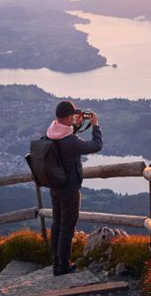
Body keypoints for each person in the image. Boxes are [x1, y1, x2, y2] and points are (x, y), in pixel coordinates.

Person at [45, 100, 102, 276]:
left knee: (57, 224)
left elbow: (66, 139)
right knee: (67, 226)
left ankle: (56, 261)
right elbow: (96, 146)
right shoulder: (70, 141)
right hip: (69, 188)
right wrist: (95, 126)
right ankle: (63, 266)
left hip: (55, 186)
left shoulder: (51, 132)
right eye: (73, 116)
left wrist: (75, 126)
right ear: (69, 117)